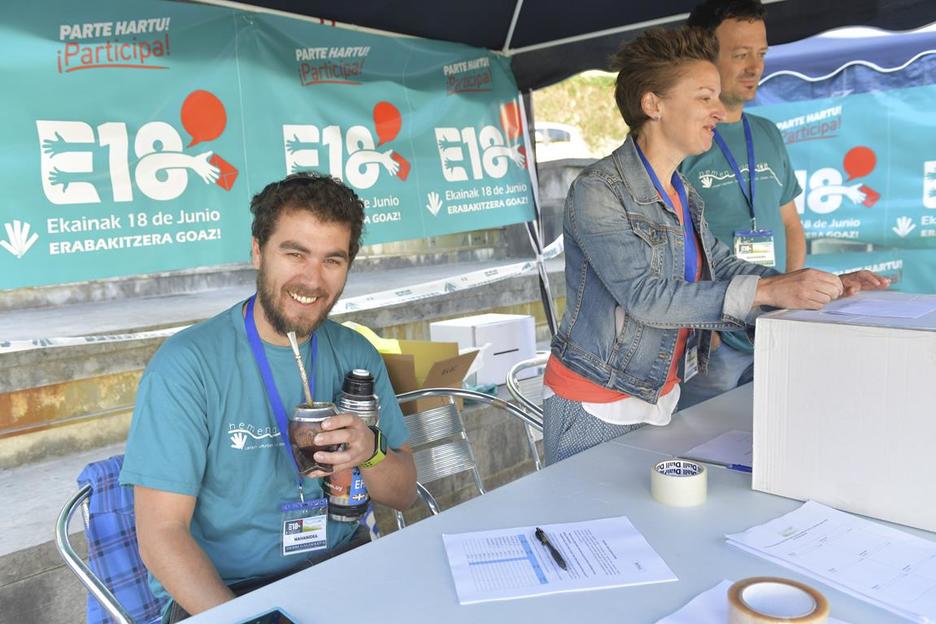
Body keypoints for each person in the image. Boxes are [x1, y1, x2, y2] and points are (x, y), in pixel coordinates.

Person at [542, 27, 887, 465]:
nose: (720, 112)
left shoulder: (682, 191)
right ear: (653, 104)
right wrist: (765, 292)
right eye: (705, 97)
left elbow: (722, 267)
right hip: (594, 402)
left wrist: (820, 285)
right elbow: (644, 297)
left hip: (659, 396)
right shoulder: (598, 190)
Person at [120, 172, 417, 622]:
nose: (312, 279)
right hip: (229, 592)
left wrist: (369, 452)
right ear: (258, 250)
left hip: (341, 565)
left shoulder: (355, 353)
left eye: (332, 260)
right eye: (295, 253)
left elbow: (404, 493)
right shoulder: (187, 365)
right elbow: (161, 534)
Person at [678, 0, 805, 407]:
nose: (755, 67)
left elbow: (790, 225)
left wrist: (793, 298)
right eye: (740, 54)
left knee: (766, 446)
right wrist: (705, 329)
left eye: (762, 53)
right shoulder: (684, 140)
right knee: (702, 452)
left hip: (772, 326)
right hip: (713, 337)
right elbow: (665, 241)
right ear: (705, 56)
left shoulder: (767, 133)